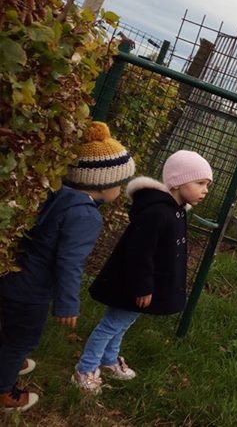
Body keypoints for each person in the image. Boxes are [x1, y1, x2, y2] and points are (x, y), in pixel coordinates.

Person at [0, 122, 135, 412]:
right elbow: (70, 262)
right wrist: (68, 304)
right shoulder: (86, 217)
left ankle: (10, 360)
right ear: (102, 184)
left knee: (10, 329)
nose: (120, 189)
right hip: (32, 290)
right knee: (20, 338)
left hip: (14, 275)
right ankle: (4, 392)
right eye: (119, 183)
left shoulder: (58, 196)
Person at [72, 150, 212, 394]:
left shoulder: (176, 210)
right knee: (112, 324)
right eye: (200, 183)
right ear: (178, 182)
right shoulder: (157, 213)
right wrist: (143, 286)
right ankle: (85, 368)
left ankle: (108, 359)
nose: (205, 190)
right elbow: (139, 253)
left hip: (144, 284)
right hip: (132, 283)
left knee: (123, 322)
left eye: (207, 185)